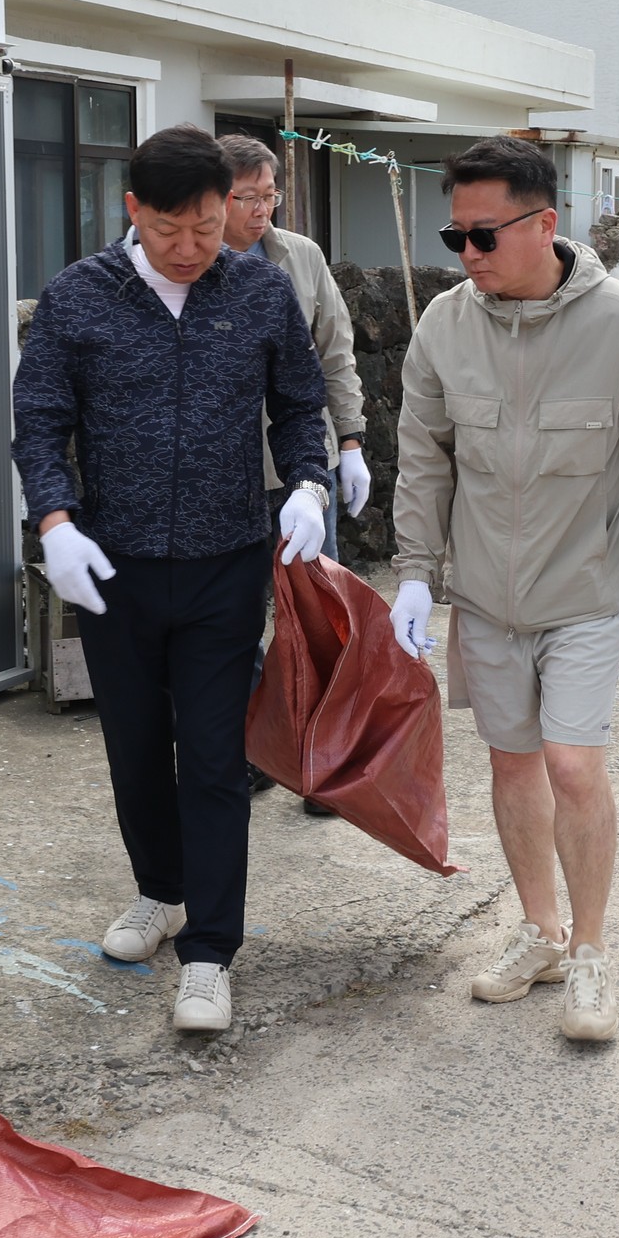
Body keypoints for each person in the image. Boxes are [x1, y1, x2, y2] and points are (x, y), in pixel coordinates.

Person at [11, 123, 333, 1034]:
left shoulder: (261, 293)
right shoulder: (79, 298)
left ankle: (211, 950)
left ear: (227, 208)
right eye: (168, 232)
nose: (188, 250)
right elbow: (37, 421)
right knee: (137, 746)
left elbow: (299, 406)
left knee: (216, 756)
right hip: (109, 566)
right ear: (132, 212)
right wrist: (56, 521)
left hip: (225, 565)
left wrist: (308, 481)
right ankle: (161, 892)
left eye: (204, 227)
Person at [389, 135, 619, 1043]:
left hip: (584, 595)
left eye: (484, 236)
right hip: (486, 595)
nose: (469, 256)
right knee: (512, 761)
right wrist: (415, 577)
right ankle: (540, 931)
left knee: (572, 763)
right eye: (457, 239)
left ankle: (593, 954)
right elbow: (423, 460)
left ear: (544, 225)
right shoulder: (444, 328)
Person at [217, 132, 368, 813]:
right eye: (246, 197)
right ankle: (256, 751)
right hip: (224, 479)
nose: (261, 211)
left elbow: (335, 351)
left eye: (269, 196)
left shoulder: (299, 257)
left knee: (318, 619)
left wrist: (354, 441)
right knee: (234, 622)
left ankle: (322, 759)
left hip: (305, 473)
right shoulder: (191, 262)